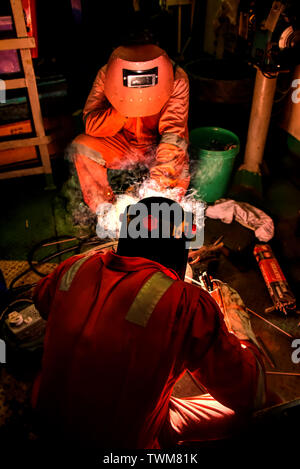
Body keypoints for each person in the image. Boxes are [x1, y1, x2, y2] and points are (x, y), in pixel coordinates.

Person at [32, 197, 268, 452]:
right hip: (117, 446)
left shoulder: (74, 266)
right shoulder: (186, 303)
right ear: (180, 251)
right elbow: (251, 394)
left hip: (45, 419)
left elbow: (41, 300)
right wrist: (237, 322)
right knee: (264, 407)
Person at [67, 43, 190, 215]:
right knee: (82, 147)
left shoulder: (176, 79)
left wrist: (155, 190)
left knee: (172, 178)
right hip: (124, 144)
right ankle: (108, 214)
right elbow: (92, 127)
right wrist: (121, 110)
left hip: (158, 147)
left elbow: (173, 135)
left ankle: (161, 212)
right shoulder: (106, 75)